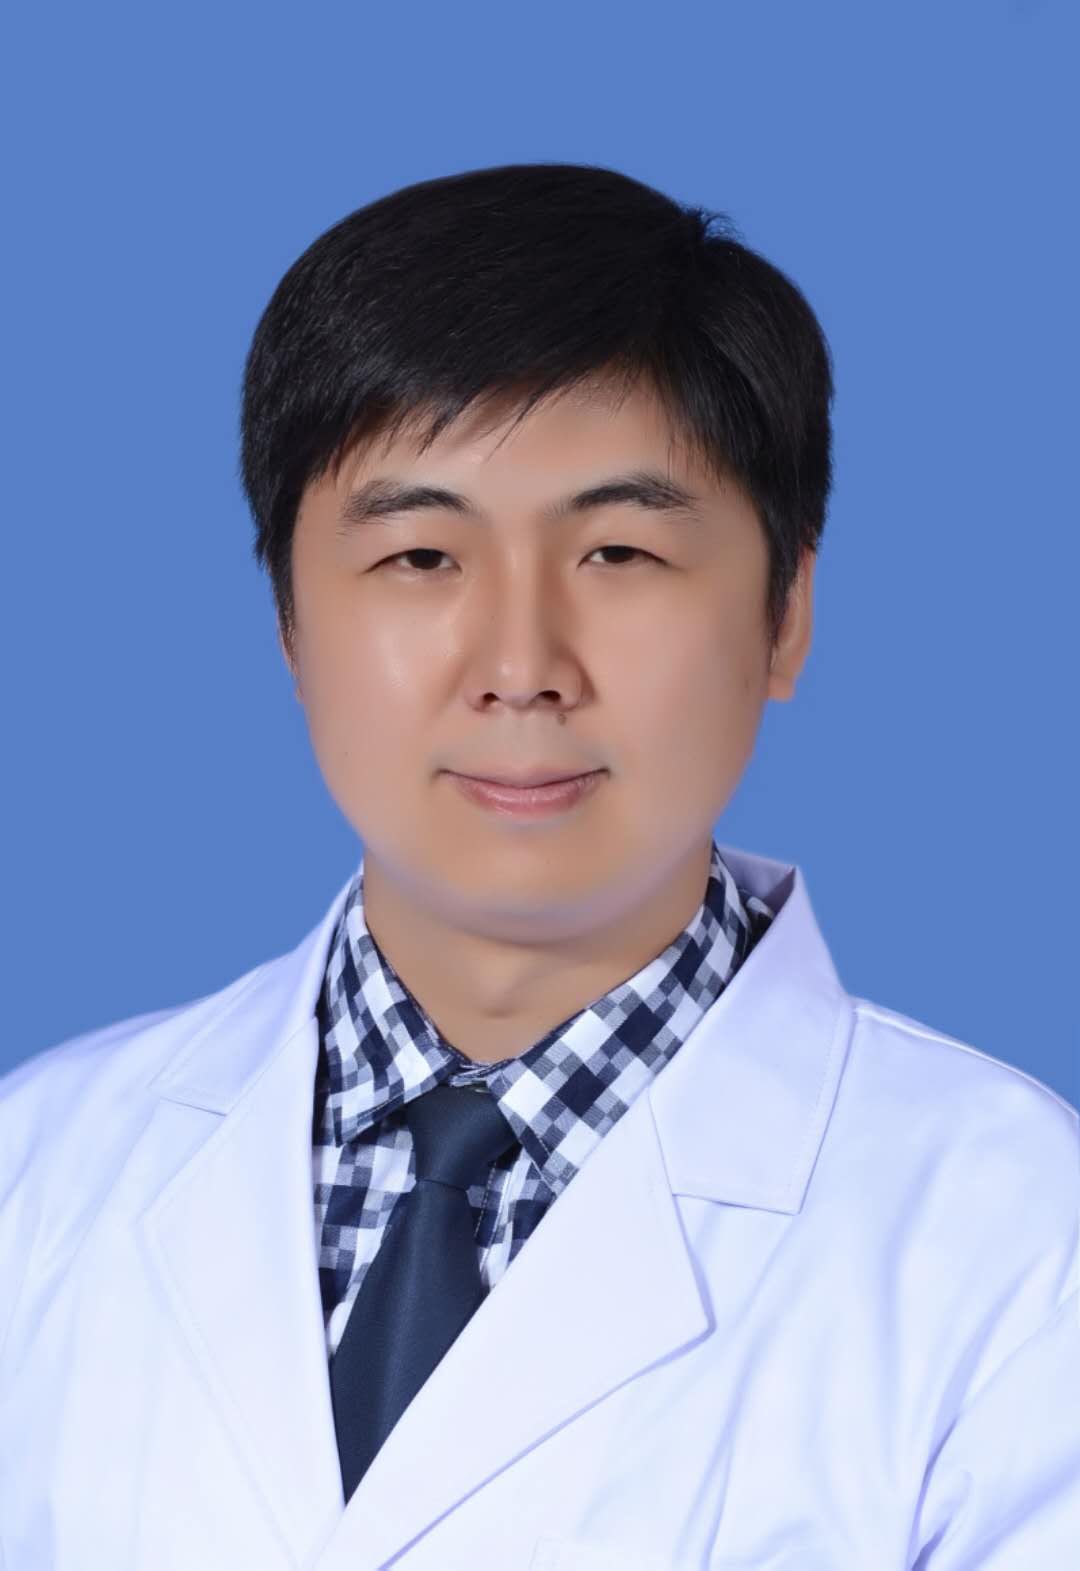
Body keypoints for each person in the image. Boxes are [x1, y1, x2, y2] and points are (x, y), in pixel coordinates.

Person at [1, 162, 1076, 1571]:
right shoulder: (38, 1173)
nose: (521, 668)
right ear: (288, 623)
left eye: (618, 552)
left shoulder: (1020, 1239)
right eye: (420, 559)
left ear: (786, 615)